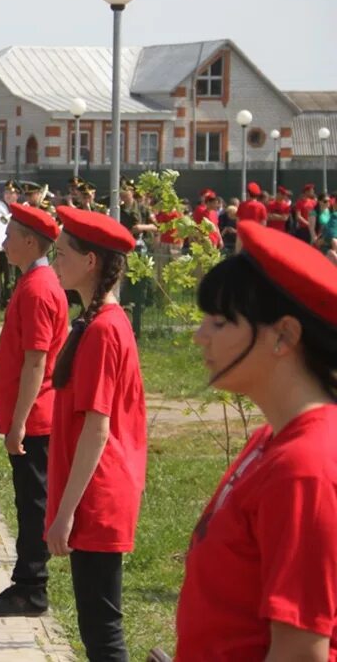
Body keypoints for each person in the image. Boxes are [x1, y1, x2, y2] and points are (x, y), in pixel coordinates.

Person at [173, 222, 337, 659]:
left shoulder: (305, 469)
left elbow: (300, 651)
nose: (200, 336)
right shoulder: (271, 439)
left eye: (220, 322)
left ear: (283, 335)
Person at [47, 205, 147, 661]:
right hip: (92, 489)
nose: (55, 260)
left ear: (91, 262)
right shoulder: (92, 320)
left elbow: (97, 429)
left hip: (98, 494)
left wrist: (66, 512)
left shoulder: (105, 329)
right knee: (95, 628)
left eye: (62, 252)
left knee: (103, 633)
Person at [0, 204, 68, 617]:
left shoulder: (37, 288)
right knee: (28, 502)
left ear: (30, 242)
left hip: (36, 418)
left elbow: (36, 361)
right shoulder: (36, 281)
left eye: (10, 234)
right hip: (34, 416)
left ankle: (31, 589)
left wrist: (17, 424)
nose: (4, 241)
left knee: (32, 505)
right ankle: (25, 582)